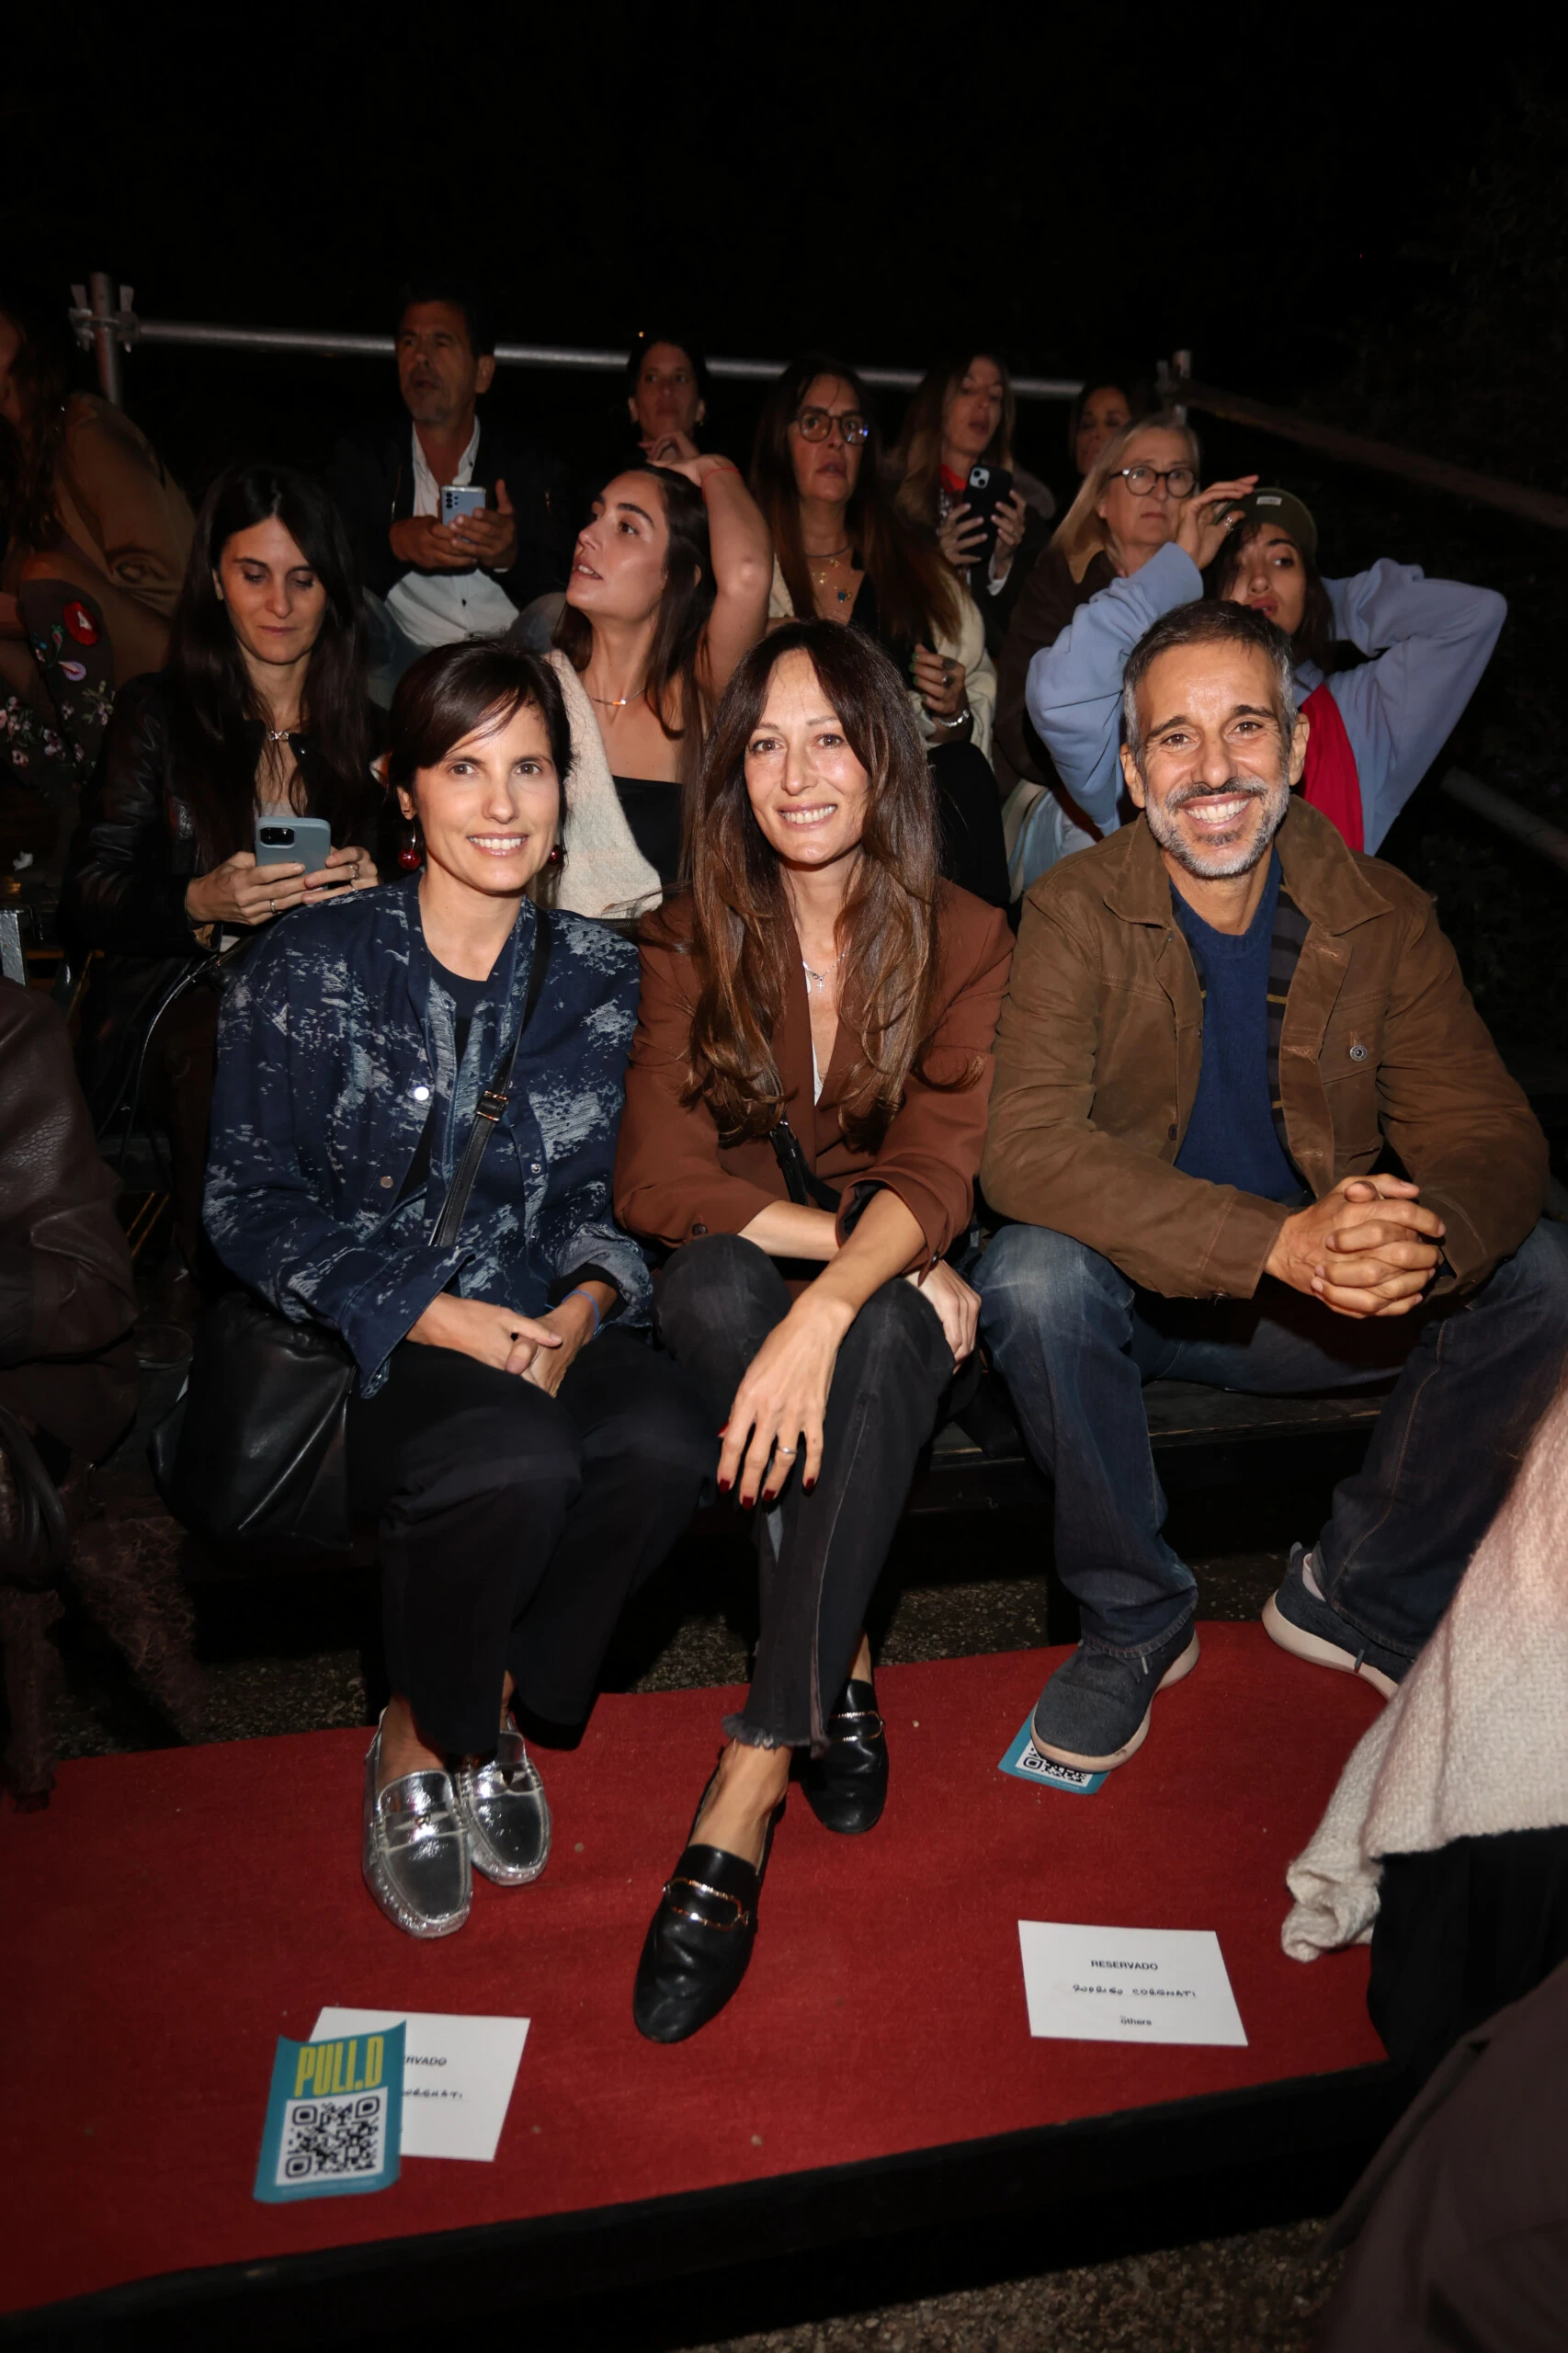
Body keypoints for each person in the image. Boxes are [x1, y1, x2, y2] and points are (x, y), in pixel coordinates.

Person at [975, 600, 1566, 1779]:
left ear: (1294, 748)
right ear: (1133, 772)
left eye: (1243, 726)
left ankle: (1359, 1593)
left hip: (1307, 1314)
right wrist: (1274, 1241)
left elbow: (1485, 1131)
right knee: (1031, 1278)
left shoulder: (1380, 914)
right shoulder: (1073, 911)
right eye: (1175, 738)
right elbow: (1025, 1148)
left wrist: (1420, 1236)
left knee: (1540, 1274)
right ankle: (1134, 1619)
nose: (1212, 769)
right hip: (1134, 1305)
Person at [204, 641, 715, 1940]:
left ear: (563, 788)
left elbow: (619, 1195)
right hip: (378, 1333)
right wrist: (427, 1313)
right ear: (404, 786)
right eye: (464, 769)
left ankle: (482, 1696)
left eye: (529, 769)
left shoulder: (605, 975)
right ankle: (419, 1736)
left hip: (545, 1309)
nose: (501, 804)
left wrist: (585, 1308)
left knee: (663, 1442)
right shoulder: (314, 964)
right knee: (514, 1461)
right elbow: (246, 1202)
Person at [614, 620, 1012, 2040]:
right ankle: (836, 1662)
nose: (795, 777)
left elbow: (943, 1164)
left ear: (882, 756)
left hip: (877, 1298)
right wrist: (858, 1254)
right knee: (717, 1285)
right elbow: (658, 1182)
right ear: (731, 772)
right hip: (759, 1273)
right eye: (765, 746)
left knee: (894, 1337)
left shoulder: (967, 935)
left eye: (827, 740)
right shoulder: (688, 931)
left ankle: (751, 1769)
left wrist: (840, 1304)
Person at [62, 461, 382, 1285]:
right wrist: (197, 902)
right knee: (236, 1041)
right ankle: (228, 1294)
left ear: (332, 590)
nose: (280, 603)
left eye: (303, 579)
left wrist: (382, 895)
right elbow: (88, 892)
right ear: (214, 580)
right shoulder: (158, 715)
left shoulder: (373, 737)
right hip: (183, 1002)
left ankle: (374, 1284)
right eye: (254, 574)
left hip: (336, 1001)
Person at [1026, 482, 1507, 870]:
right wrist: (1176, 571)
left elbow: (1472, 617)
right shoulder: (1157, 711)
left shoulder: (1360, 718)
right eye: (1237, 565)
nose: (1259, 580)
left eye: (1282, 561)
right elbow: (1059, 695)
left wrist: (1321, 603)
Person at [753, 354, 1010, 909]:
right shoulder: (747, 572)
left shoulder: (912, 566)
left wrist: (953, 713)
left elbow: (973, 692)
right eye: (815, 423)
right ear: (780, 439)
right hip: (792, 792)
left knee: (963, 771)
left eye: (852, 427)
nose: (836, 441)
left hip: (899, 801)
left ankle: (979, 955)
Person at [994, 411, 1241, 890]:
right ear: (1102, 500)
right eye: (1141, 474)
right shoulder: (1060, 578)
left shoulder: (1216, 599)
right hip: (1063, 799)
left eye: (1177, 476)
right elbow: (1019, 723)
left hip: (1184, 794)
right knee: (1102, 847)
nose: (1160, 491)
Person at [537, 444, 772, 916]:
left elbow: (747, 574)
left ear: (674, 576)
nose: (587, 535)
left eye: (626, 527)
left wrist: (712, 466)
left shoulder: (703, 696)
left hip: (671, 960)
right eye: (595, 517)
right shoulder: (537, 693)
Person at [1, 283, 193, 828]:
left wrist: (40, 604)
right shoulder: (19, 463)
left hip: (176, 664)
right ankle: (66, 811)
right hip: (86, 690)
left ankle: (118, 808)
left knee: (45, 579)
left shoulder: (83, 426)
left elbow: (169, 577)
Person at [326, 282, 574, 701]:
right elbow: (326, 563)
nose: (420, 358)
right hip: (408, 658)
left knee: (560, 613)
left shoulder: (527, 461)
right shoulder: (367, 456)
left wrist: (510, 557)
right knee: (348, 611)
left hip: (511, 656)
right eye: (409, 342)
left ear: (483, 373)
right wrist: (394, 544)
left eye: (441, 343)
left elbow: (564, 575)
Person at [891, 352, 1046, 658]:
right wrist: (938, 567)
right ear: (936, 402)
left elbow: (1035, 631)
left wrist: (1003, 566)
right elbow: (883, 617)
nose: (984, 404)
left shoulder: (1023, 514)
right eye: (967, 390)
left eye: (995, 396)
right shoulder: (892, 505)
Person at [626, 332, 709, 453]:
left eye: (680, 378)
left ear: (700, 408)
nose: (667, 390)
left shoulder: (724, 464)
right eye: (652, 378)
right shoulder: (605, 465)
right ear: (633, 406)